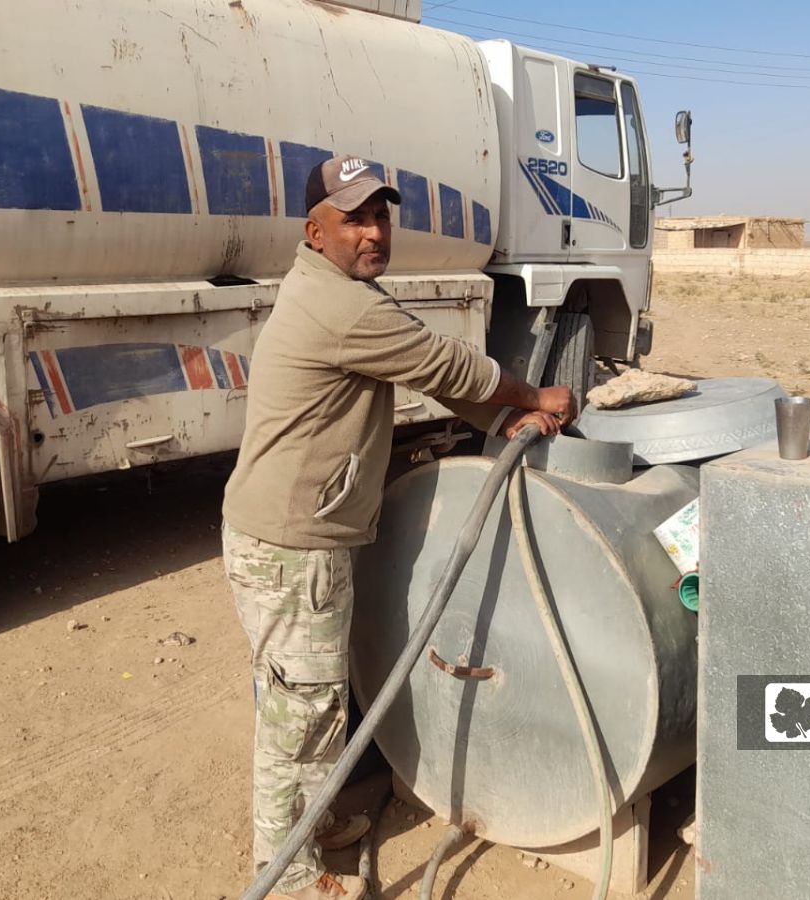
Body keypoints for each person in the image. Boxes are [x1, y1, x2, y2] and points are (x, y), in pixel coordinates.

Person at [220, 155, 575, 899]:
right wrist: (531, 392)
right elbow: (445, 365)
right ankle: (284, 877)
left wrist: (509, 416)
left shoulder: (342, 291)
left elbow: (426, 369)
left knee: (312, 698)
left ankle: (313, 823)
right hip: (293, 548)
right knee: (302, 710)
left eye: (382, 214)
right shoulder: (340, 306)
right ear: (315, 232)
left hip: (297, 537)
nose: (374, 230)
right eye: (355, 217)